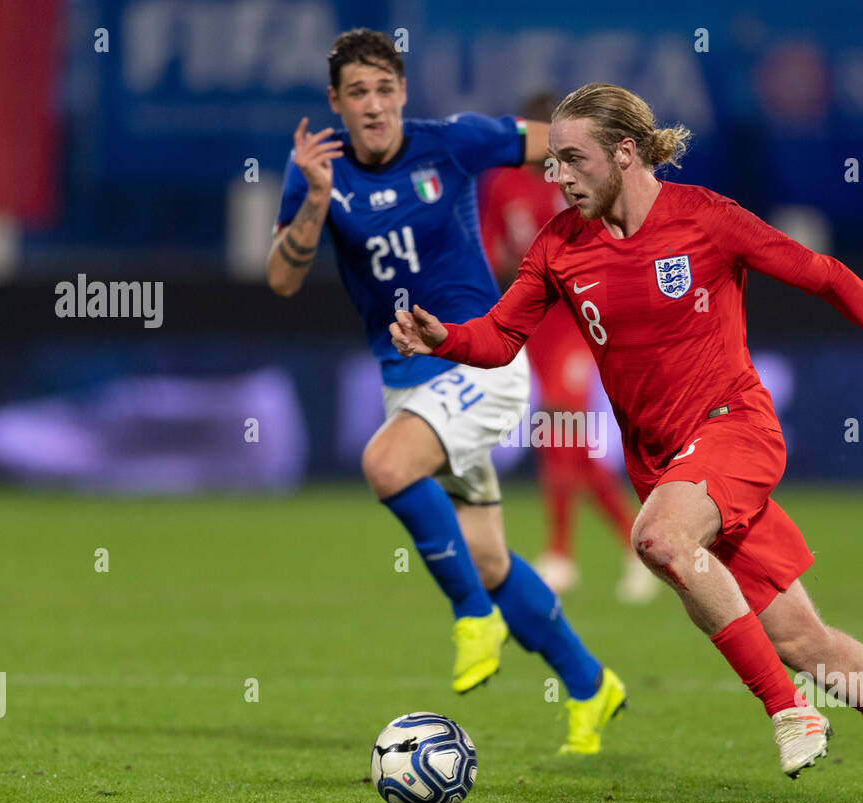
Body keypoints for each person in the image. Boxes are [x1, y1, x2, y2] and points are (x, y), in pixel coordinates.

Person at [391, 83, 863, 803]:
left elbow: (829, 278)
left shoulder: (705, 219)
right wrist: (447, 340)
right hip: (670, 466)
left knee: (658, 539)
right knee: (813, 648)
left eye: (573, 160)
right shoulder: (560, 245)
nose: (557, 177)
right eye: (551, 162)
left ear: (625, 152)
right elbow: (500, 337)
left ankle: (786, 710)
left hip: (735, 431)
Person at [267, 33, 624, 755]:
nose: (373, 106)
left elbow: (552, 141)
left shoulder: (453, 143)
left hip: (483, 363)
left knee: (386, 467)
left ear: (403, 91)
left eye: (384, 89)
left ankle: (471, 617)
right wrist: (313, 201)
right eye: (357, 93)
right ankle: (590, 685)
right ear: (336, 104)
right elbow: (281, 276)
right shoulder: (316, 170)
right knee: (490, 560)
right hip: (409, 387)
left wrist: (608, 190)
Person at [479, 92, 658, 603]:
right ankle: (637, 545)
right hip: (534, 325)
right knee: (562, 438)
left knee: (561, 420)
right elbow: (491, 249)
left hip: (582, 321)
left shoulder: (583, 183)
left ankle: (561, 554)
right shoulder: (503, 183)